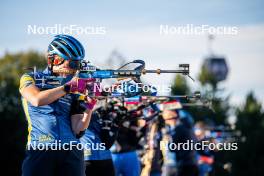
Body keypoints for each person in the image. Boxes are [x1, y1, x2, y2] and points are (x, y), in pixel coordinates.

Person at [19, 34, 96, 176]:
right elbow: (36, 99)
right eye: (72, 64)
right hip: (41, 149)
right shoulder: (31, 77)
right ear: (53, 60)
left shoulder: (75, 86)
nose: (75, 69)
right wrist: (68, 87)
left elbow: (78, 128)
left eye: (78, 65)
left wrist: (89, 107)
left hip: (71, 151)